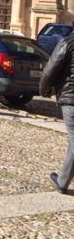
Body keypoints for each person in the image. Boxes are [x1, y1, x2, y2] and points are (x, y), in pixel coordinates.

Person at [40, 34, 74, 194]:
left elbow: (50, 70)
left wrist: (44, 89)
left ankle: (62, 182)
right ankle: (62, 181)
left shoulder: (67, 43)